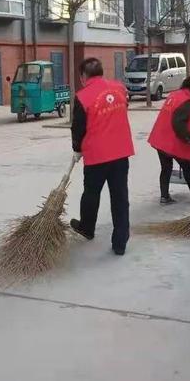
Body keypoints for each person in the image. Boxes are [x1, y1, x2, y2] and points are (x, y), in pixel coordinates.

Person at [70, 58, 135, 256]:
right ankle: (120, 242)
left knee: (91, 193)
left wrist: (77, 148)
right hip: (120, 153)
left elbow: (78, 127)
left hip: (96, 156)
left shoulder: (82, 97)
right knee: (120, 197)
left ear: (83, 77)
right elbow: (125, 105)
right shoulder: (120, 88)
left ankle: (87, 228)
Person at [147, 76, 190, 205]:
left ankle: (164, 197)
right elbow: (178, 124)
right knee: (187, 166)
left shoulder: (175, 95)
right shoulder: (186, 102)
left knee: (166, 168)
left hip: (160, 138)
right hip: (173, 140)